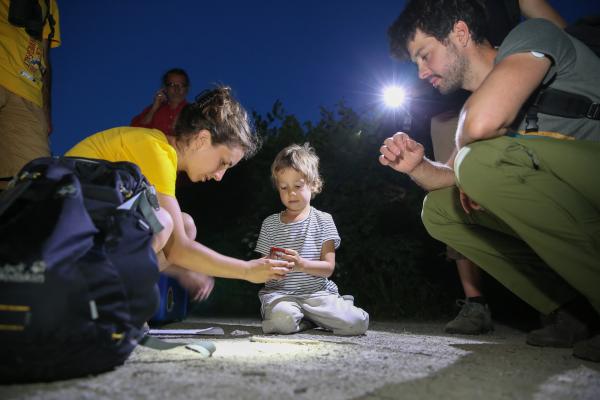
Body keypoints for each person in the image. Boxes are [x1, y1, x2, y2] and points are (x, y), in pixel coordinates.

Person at [381, 0, 600, 361]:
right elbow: (449, 176)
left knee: (479, 163)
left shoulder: (531, 36)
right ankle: (572, 309)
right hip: (568, 193)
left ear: (460, 33)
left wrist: (468, 169)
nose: (421, 72)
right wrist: (416, 166)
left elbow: (480, 125)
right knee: (438, 210)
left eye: (425, 55)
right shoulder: (479, 109)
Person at [67, 86, 292, 300]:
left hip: (79, 223)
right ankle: (93, 302)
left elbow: (171, 245)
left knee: (184, 223)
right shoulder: (157, 151)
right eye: (223, 162)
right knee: (163, 222)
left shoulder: (159, 150)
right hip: (56, 222)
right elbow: (178, 248)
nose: (219, 176)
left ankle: (98, 297)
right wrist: (247, 270)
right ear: (202, 140)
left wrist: (182, 272)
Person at [441, 0, 568, 336]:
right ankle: (475, 301)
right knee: (448, 185)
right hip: (458, 96)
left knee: (523, 183)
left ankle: (571, 296)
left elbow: (559, 30)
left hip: (513, 79)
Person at [255, 143, 369, 335]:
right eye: (284, 187)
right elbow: (260, 266)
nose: (291, 193)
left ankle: (335, 307)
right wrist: (267, 269)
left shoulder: (324, 220)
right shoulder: (270, 223)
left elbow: (328, 268)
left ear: (313, 184)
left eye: (298, 186)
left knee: (356, 323)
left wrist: (301, 264)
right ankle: (305, 322)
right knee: (283, 321)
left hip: (317, 294)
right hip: (281, 296)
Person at [0, 0, 61, 190]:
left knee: (36, 183)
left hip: (27, 93)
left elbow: (45, 54)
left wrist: (46, 110)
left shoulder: (50, 4)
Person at [131, 68, 190, 136]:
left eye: (181, 85)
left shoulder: (194, 112)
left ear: (187, 88)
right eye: (172, 84)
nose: (177, 89)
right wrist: (153, 109)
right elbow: (134, 131)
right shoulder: (153, 109)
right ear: (164, 88)